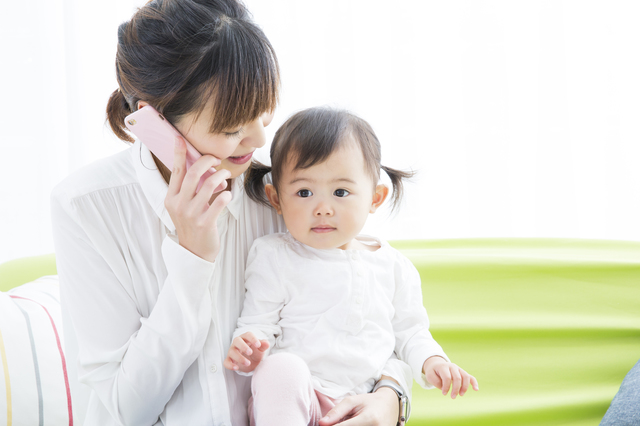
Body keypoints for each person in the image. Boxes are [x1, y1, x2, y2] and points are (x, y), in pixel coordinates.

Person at [51, 1, 409, 425]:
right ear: (153, 121)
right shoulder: (86, 207)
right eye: (231, 127)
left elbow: (364, 311)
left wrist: (392, 395)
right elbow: (126, 409)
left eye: (263, 113)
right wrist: (191, 259)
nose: (258, 139)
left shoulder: (286, 197)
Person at [224, 107, 479, 426]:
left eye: (341, 192)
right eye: (304, 192)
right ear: (276, 199)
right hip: (302, 399)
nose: (322, 208)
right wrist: (248, 349)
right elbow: (257, 322)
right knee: (279, 368)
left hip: (363, 404)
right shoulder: (274, 255)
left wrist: (433, 361)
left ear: (375, 198)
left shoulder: (394, 266)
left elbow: (411, 332)